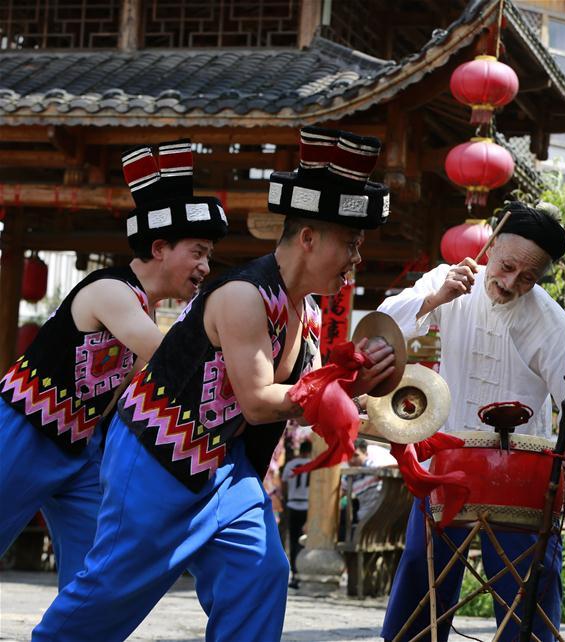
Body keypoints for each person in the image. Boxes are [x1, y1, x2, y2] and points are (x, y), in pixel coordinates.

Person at [32, 126, 396, 642]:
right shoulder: (245, 295)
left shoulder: (307, 312)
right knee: (112, 593)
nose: (357, 258)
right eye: (351, 243)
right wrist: (327, 395)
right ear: (309, 238)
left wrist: (358, 383)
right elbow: (257, 401)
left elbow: (306, 392)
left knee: (260, 573)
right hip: (156, 453)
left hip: (224, 467)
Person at [0, 139, 227, 590]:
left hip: (80, 451)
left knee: (96, 577)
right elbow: (168, 356)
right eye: (198, 252)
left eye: (207, 256)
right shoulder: (111, 291)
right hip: (21, 431)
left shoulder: (140, 304)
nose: (205, 266)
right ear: (160, 247)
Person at [378, 201, 565, 642]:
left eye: (528, 277)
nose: (511, 282)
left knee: (529, 599)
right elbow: (382, 328)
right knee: (420, 585)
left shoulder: (550, 321)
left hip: (520, 472)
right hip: (448, 459)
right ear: (492, 245)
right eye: (507, 265)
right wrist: (436, 299)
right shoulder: (453, 281)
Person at [282, 439, 312, 589]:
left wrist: (287, 498)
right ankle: (303, 572)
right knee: (305, 540)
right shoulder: (315, 463)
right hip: (308, 505)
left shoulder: (290, 465)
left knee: (293, 541)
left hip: (293, 503)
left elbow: (284, 484)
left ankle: (294, 574)